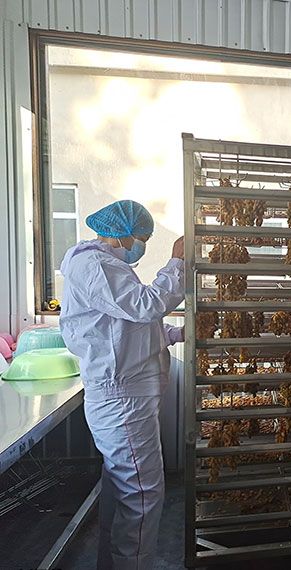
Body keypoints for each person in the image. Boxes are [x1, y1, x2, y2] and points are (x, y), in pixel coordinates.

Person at [59, 200, 185, 570]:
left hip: (125, 397)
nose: (141, 246)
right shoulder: (93, 265)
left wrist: (174, 333)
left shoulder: (104, 265)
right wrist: (177, 262)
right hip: (121, 401)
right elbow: (145, 306)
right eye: (141, 238)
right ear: (123, 234)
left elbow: (121, 328)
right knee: (141, 495)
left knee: (123, 490)